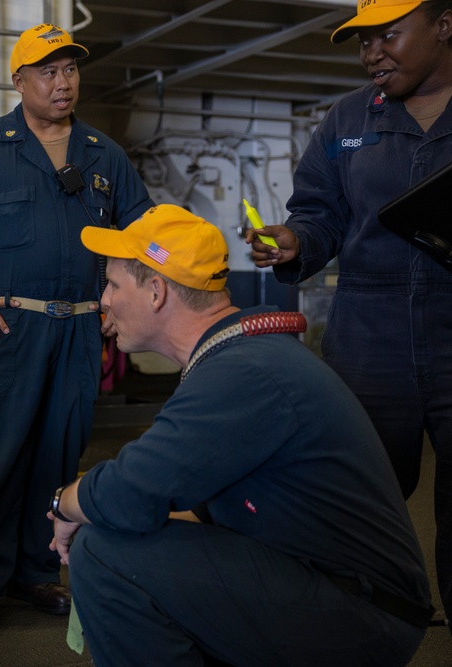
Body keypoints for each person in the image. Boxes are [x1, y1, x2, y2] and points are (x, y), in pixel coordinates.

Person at [47, 203, 433, 666]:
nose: (104, 300)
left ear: (156, 292)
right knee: (122, 532)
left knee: (104, 552)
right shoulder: (239, 355)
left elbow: (129, 490)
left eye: (112, 284)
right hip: (338, 589)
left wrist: (64, 503)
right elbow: (172, 497)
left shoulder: (244, 372)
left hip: (364, 616)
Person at [0, 22, 154, 638]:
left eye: (70, 69)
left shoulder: (105, 154)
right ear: (18, 81)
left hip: (78, 332)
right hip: (10, 327)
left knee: (58, 457)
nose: (62, 82)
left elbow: (143, 233)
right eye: (47, 70)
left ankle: (36, 569)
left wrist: (123, 301)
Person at [245, 0, 452, 629]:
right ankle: (352, 638)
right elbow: (319, 210)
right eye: (362, 42)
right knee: (352, 499)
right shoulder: (348, 119)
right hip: (369, 330)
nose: (371, 54)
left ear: (444, 24)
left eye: (388, 35)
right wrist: (297, 240)